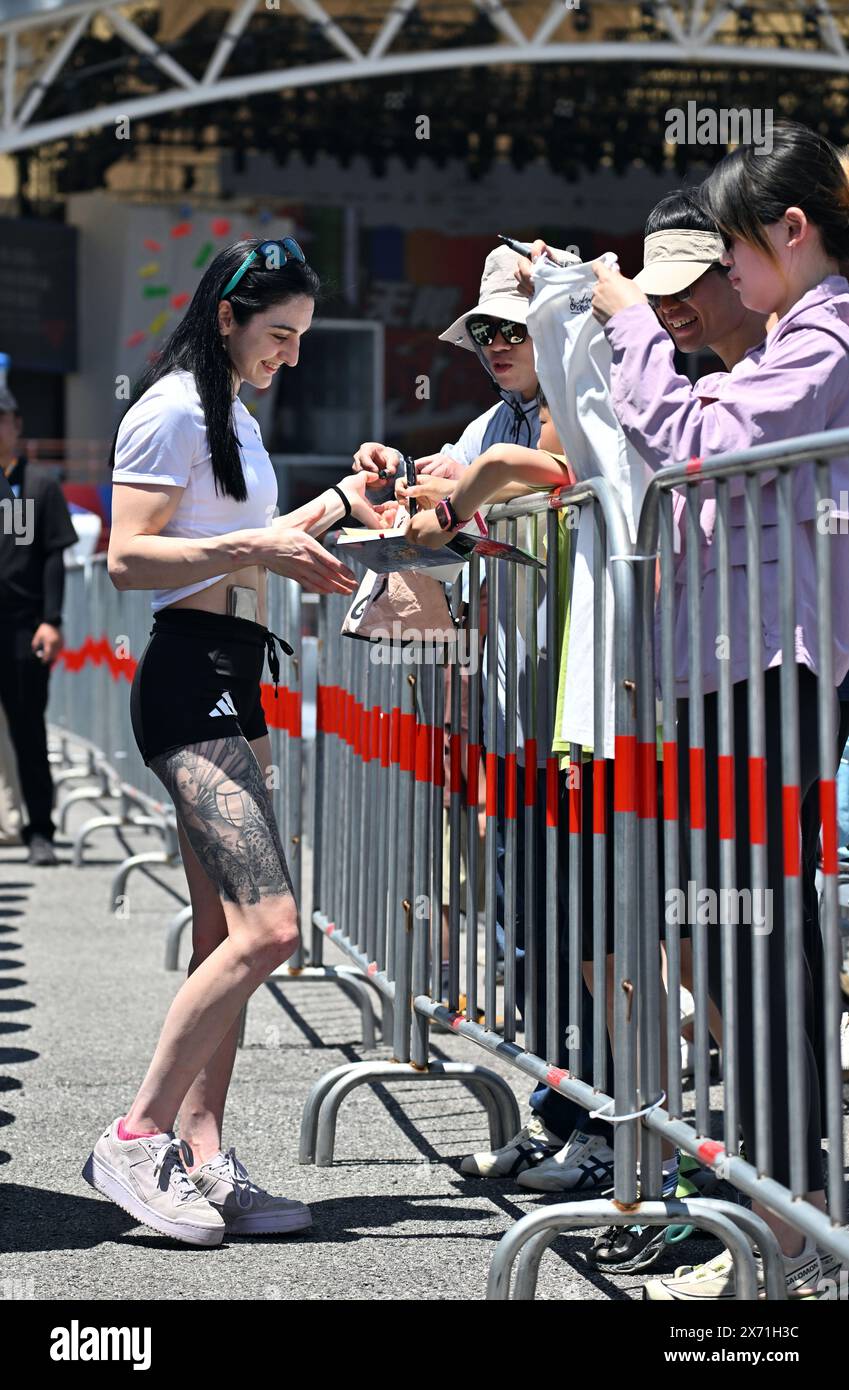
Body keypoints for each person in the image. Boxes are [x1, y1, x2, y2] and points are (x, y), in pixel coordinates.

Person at [588, 120, 849, 1299]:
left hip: (768, 678)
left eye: (736, 249)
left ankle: (789, 1217)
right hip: (738, 676)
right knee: (748, 942)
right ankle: (780, 1205)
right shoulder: (798, 343)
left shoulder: (832, 338)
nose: (725, 276)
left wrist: (627, 328)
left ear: (792, 234)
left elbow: (700, 441)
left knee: (756, 942)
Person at [82, 236, 383, 1247]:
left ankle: (206, 1157)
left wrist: (341, 501)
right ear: (228, 317)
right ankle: (136, 1133)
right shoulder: (168, 408)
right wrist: (254, 544)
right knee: (272, 931)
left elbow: (249, 541)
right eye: (279, 334)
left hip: (233, 683)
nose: (290, 355)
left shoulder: (232, 418)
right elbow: (127, 557)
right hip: (188, 686)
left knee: (227, 939)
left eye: (302, 337)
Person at [356, 248, 617, 1191]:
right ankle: (560, 1113)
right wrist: (402, 473)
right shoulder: (489, 419)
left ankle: (609, 1132)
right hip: (514, 717)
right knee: (526, 929)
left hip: (582, 717)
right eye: (487, 331)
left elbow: (520, 479)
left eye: (516, 325)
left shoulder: (596, 403)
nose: (499, 345)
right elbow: (448, 495)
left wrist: (461, 488)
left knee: (589, 934)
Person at [0, 383, 79, 865]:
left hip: (23, 627)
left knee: (28, 729)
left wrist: (51, 620)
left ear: (16, 426)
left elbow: (53, 558)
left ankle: (40, 830)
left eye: (2, 418)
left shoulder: (40, 484)